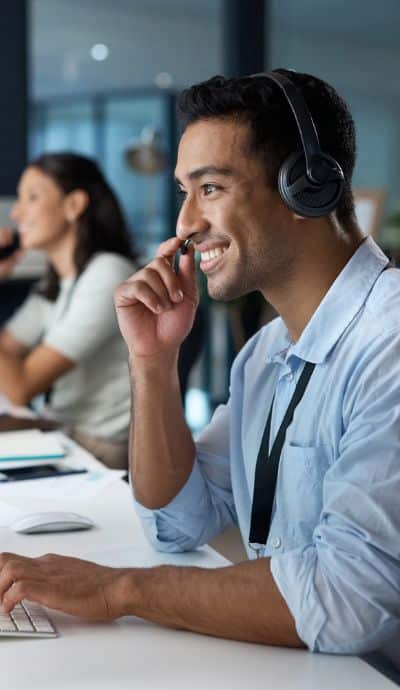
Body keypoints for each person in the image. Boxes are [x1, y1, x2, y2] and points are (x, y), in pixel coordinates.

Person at [0, 70, 399, 660]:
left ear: (306, 188)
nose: (185, 223)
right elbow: (177, 523)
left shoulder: (387, 342)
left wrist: (119, 590)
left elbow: (349, 599)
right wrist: (153, 361)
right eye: (185, 191)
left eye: (210, 187)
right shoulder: (266, 355)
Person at [0, 152, 137, 468]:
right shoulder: (58, 281)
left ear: (73, 205)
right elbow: (7, 348)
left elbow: (20, 386)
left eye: (32, 198)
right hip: (62, 430)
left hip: (99, 447)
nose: (18, 213)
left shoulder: (108, 273)